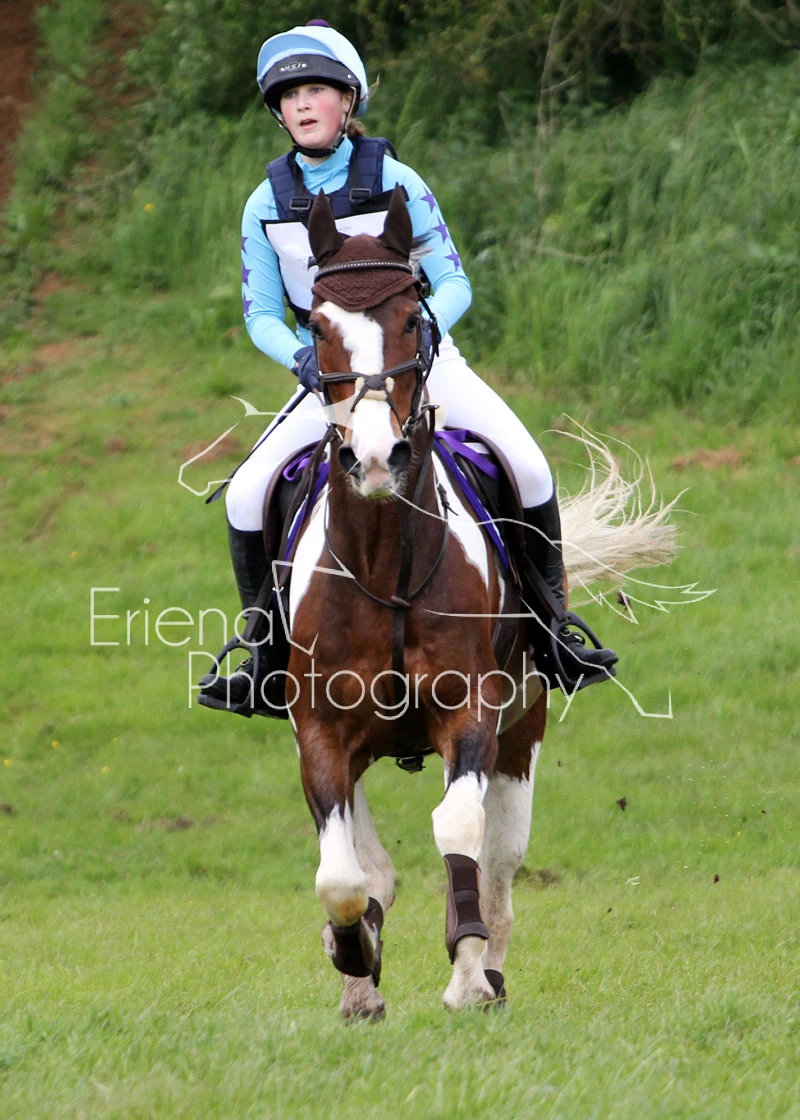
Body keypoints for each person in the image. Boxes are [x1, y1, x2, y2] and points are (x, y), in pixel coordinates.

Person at [199, 21, 617, 716]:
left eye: (315, 91)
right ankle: (265, 658)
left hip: (422, 364)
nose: (302, 105)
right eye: (289, 97)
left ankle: (554, 635)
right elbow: (261, 314)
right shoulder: (264, 204)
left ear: (347, 100)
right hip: (333, 379)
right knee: (245, 494)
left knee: (530, 467)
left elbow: (454, 283)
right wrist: (302, 359)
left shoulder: (397, 180)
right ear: (278, 114)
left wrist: (422, 345)